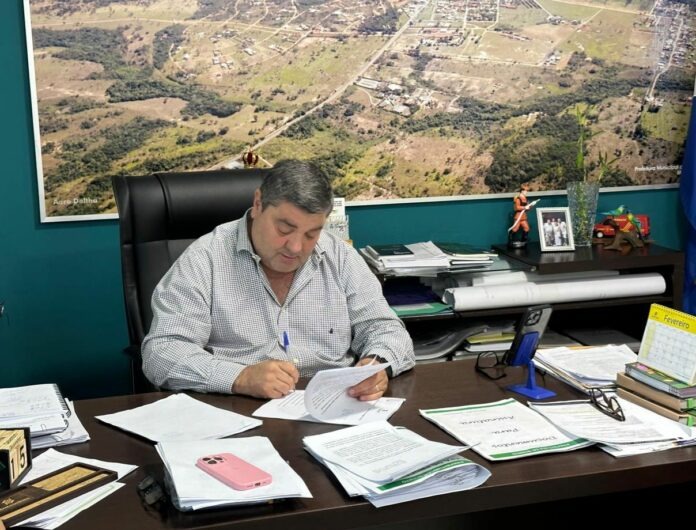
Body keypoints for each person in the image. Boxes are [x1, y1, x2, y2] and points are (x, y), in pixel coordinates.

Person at [142, 159, 415, 400]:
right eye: (284, 229)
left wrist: (376, 364)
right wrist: (239, 377)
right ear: (258, 204)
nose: (295, 247)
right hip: (238, 412)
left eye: (311, 234)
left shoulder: (339, 256)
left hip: (332, 407)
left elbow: (385, 328)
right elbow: (162, 352)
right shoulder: (206, 258)